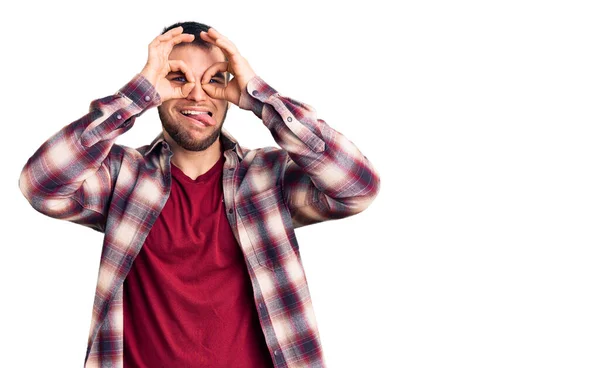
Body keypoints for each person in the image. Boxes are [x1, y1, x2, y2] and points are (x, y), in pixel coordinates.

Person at [19, 21, 380, 367]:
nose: (196, 93)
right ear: (156, 91)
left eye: (214, 80)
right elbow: (40, 184)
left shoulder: (269, 178)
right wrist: (135, 94)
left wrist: (259, 97)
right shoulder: (122, 177)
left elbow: (358, 187)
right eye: (178, 78)